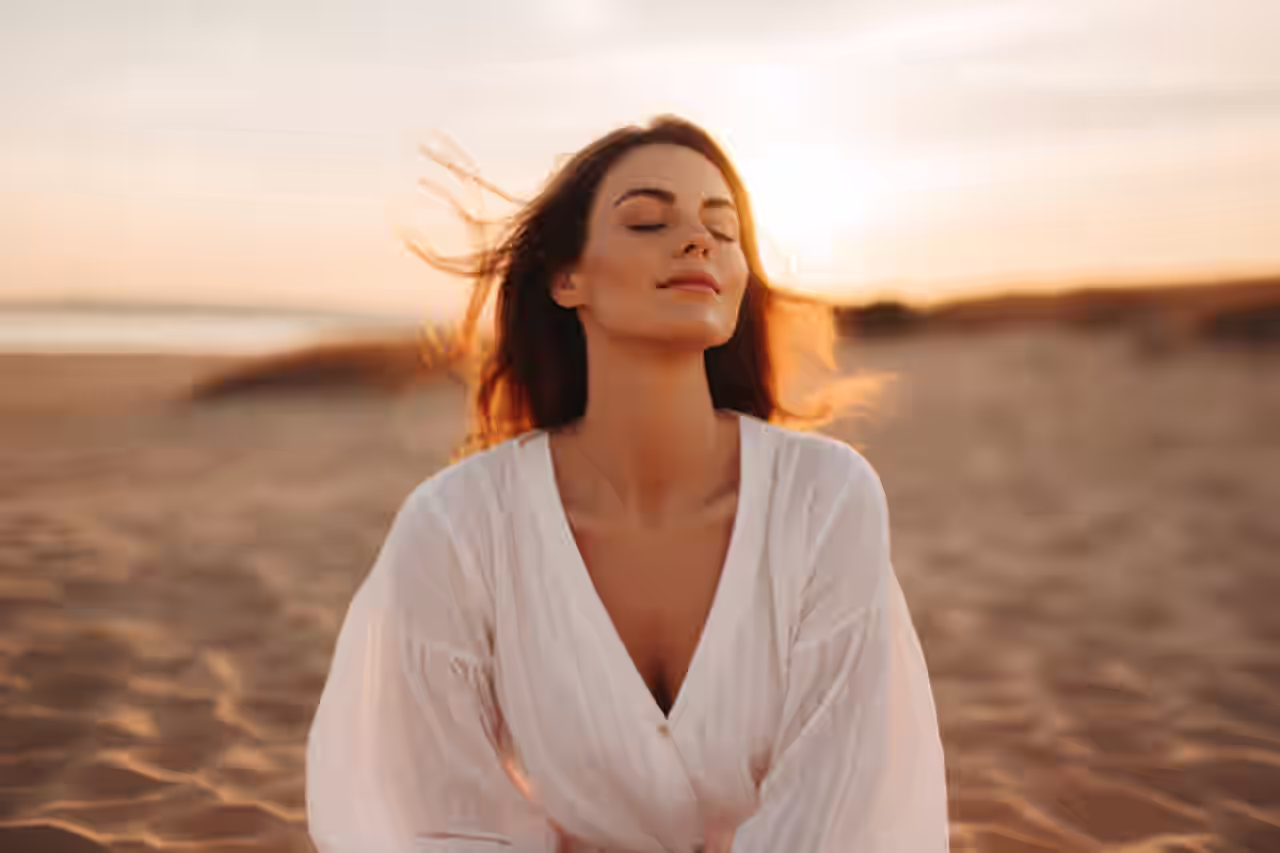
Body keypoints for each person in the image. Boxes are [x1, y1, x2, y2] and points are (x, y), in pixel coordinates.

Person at [305, 115, 949, 852]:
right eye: (646, 220)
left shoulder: (827, 498)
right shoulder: (457, 524)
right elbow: (424, 812)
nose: (698, 240)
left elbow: (845, 809)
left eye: (725, 229)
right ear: (566, 277)